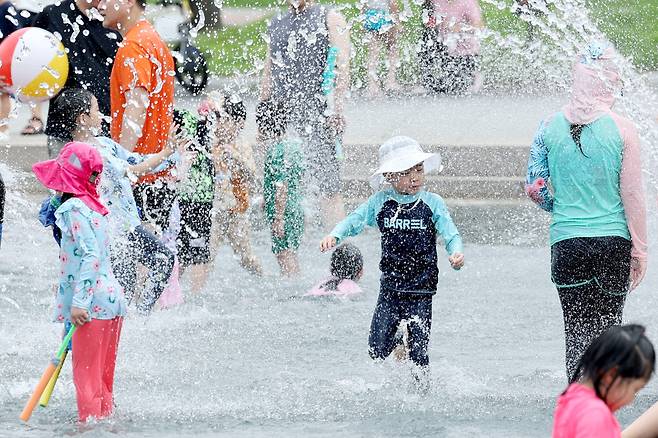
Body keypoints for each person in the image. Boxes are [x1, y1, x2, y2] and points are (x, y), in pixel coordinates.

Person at [525, 42, 647, 381]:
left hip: (567, 244)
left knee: (576, 331)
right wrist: (640, 250)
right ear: (609, 81)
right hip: (613, 245)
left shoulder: (547, 126)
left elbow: (535, 188)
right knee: (609, 331)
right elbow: (633, 195)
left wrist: (561, 206)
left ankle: (577, 413)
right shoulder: (624, 130)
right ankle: (606, 415)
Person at [319, 136, 464, 380]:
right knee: (376, 349)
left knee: (419, 355)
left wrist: (456, 254)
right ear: (390, 176)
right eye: (406, 172)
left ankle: (421, 396)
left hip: (421, 289)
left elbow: (451, 233)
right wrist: (335, 235)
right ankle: (398, 340)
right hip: (391, 289)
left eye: (418, 169)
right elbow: (354, 220)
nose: (415, 177)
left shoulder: (432, 203)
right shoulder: (381, 203)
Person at [50, 88, 177, 314]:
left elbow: (135, 159)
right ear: (83, 118)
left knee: (155, 263)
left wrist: (174, 157)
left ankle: (139, 314)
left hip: (126, 225)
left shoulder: (104, 144)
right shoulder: (82, 154)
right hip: (112, 228)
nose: (102, 115)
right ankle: (136, 316)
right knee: (149, 266)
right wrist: (166, 153)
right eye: (97, 110)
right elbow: (131, 171)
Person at [32, 142, 127, 422]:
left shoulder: (72, 208)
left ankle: (85, 430)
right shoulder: (95, 207)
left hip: (91, 307)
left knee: (86, 385)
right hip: (112, 303)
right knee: (103, 384)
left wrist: (79, 303)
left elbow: (90, 255)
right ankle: (105, 428)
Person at [260, 0, 350, 230]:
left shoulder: (330, 18)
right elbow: (268, 73)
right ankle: (293, 255)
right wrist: (264, 119)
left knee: (328, 187)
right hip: (284, 118)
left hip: (318, 116)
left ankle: (340, 253)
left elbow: (342, 66)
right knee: (284, 188)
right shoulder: (277, 22)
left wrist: (337, 110)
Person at [99, 0, 176, 234]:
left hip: (139, 174)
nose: (100, 4)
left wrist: (120, 163)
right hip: (157, 171)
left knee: (135, 263)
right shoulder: (152, 38)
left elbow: (137, 105)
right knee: (154, 258)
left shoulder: (134, 45)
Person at [31, 0, 121, 156]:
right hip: (64, 130)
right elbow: (30, 54)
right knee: (65, 178)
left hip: (106, 128)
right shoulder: (53, 15)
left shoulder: (112, 17)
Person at [553, 324, 655, 438]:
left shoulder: (571, 396)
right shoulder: (595, 415)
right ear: (611, 374)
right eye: (635, 389)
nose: (631, 400)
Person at [201, 92, 263, 276]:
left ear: (239, 124)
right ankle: (197, 292)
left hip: (237, 212)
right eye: (217, 119)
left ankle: (263, 280)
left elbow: (253, 179)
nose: (219, 125)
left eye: (225, 120)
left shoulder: (242, 146)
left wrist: (236, 158)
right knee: (207, 256)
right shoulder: (209, 144)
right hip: (215, 210)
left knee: (247, 257)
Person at [257, 100, 305, 276]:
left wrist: (278, 217)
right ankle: (293, 283)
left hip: (284, 212)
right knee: (289, 253)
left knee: (284, 255)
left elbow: (282, 186)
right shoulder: (293, 146)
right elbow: (294, 180)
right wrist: (266, 197)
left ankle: (293, 292)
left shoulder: (276, 151)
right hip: (294, 209)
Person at [173, 108, 216, 292]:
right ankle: (194, 293)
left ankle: (175, 290)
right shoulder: (201, 133)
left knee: (182, 247)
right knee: (198, 246)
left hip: (189, 196)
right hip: (203, 196)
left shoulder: (180, 122)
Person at [420, 0, 483, 94]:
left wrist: (459, 27)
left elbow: (479, 25)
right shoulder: (435, 2)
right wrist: (435, 24)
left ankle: (473, 75)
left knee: (458, 87)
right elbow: (429, 22)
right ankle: (428, 77)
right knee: (440, 87)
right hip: (444, 50)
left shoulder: (468, 2)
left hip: (464, 52)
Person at [362, 0, 401, 96]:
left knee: (373, 51)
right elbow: (393, 3)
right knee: (392, 48)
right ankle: (390, 80)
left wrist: (363, 18)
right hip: (385, 15)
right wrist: (397, 22)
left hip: (370, 15)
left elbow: (363, 3)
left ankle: (372, 84)